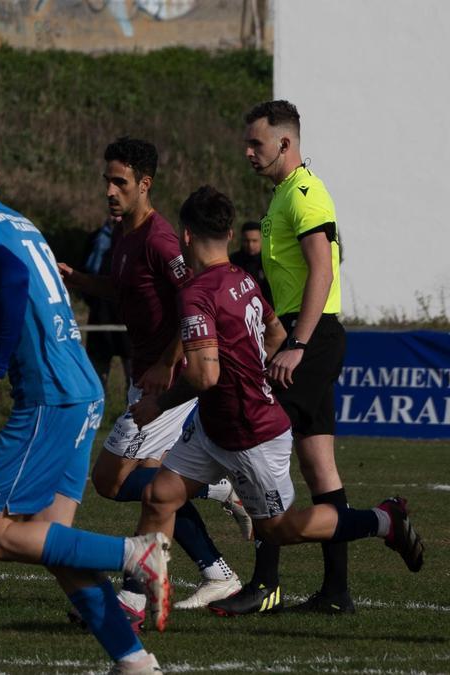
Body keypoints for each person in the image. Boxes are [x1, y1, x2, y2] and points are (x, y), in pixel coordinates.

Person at [0, 131, 169, 675]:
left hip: (50, 397)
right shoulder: (21, 221)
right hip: (79, 387)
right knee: (52, 543)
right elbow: (38, 310)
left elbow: (13, 280)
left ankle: (136, 554)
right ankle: (133, 660)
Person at [131, 186, 423, 623]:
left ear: (185, 236)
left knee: (278, 530)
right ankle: (138, 601)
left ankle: (383, 520)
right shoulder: (243, 279)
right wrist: (253, 372)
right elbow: (274, 333)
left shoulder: (195, 293)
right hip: (217, 426)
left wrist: (160, 405)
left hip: (249, 432)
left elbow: (205, 375)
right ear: (230, 233)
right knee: (160, 494)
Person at [57, 138, 250, 615]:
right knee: (155, 484)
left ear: (145, 184)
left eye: (119, 181)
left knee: (107, 479)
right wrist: (81, 280)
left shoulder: (162, 240)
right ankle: (214, 572)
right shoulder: (124, 234)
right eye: (107, 179)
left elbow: (195, 298)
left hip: (167, 381)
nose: (109, 189)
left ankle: (138, 591)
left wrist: (169, 362)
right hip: (145, 373)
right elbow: (125, 289)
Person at [209, 99, 357, 615]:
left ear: (286, 144)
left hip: (311, 339)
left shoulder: (305, 195)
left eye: (257, 143)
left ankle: (266, 582)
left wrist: (295, 345)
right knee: (319, 466)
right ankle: (336, 593)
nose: (249, 152)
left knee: (257, 442)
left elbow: (323, 272)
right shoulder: (280, 198)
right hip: (300, 336)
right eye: (248, 143)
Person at [81, 218, 133, 389]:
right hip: (100, 317)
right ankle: (96, 414)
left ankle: (134, 415)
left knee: (134, 380)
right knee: (96, 380)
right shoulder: (97, 239)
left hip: (129, 321)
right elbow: (84, 275)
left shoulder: (139, 239)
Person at [229, 221, 272, 306]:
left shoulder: (269, 261)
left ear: (262, 240)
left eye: (254, 241)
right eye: (246, 241)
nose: (250, 245)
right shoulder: (233, 261)